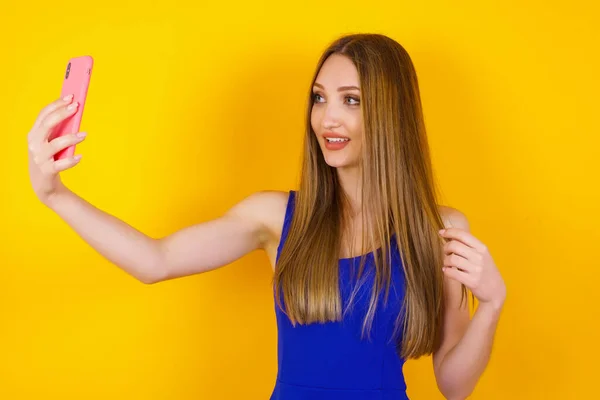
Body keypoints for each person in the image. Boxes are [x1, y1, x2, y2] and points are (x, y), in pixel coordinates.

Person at [27, 33, 506, 400]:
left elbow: (454, 384)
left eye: (351, 100)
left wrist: (490, 306)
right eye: (319, 97)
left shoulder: (441, 231)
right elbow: (155, 261)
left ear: (390, 112)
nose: (326, 119)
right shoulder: (276, 217)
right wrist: (55, 195)